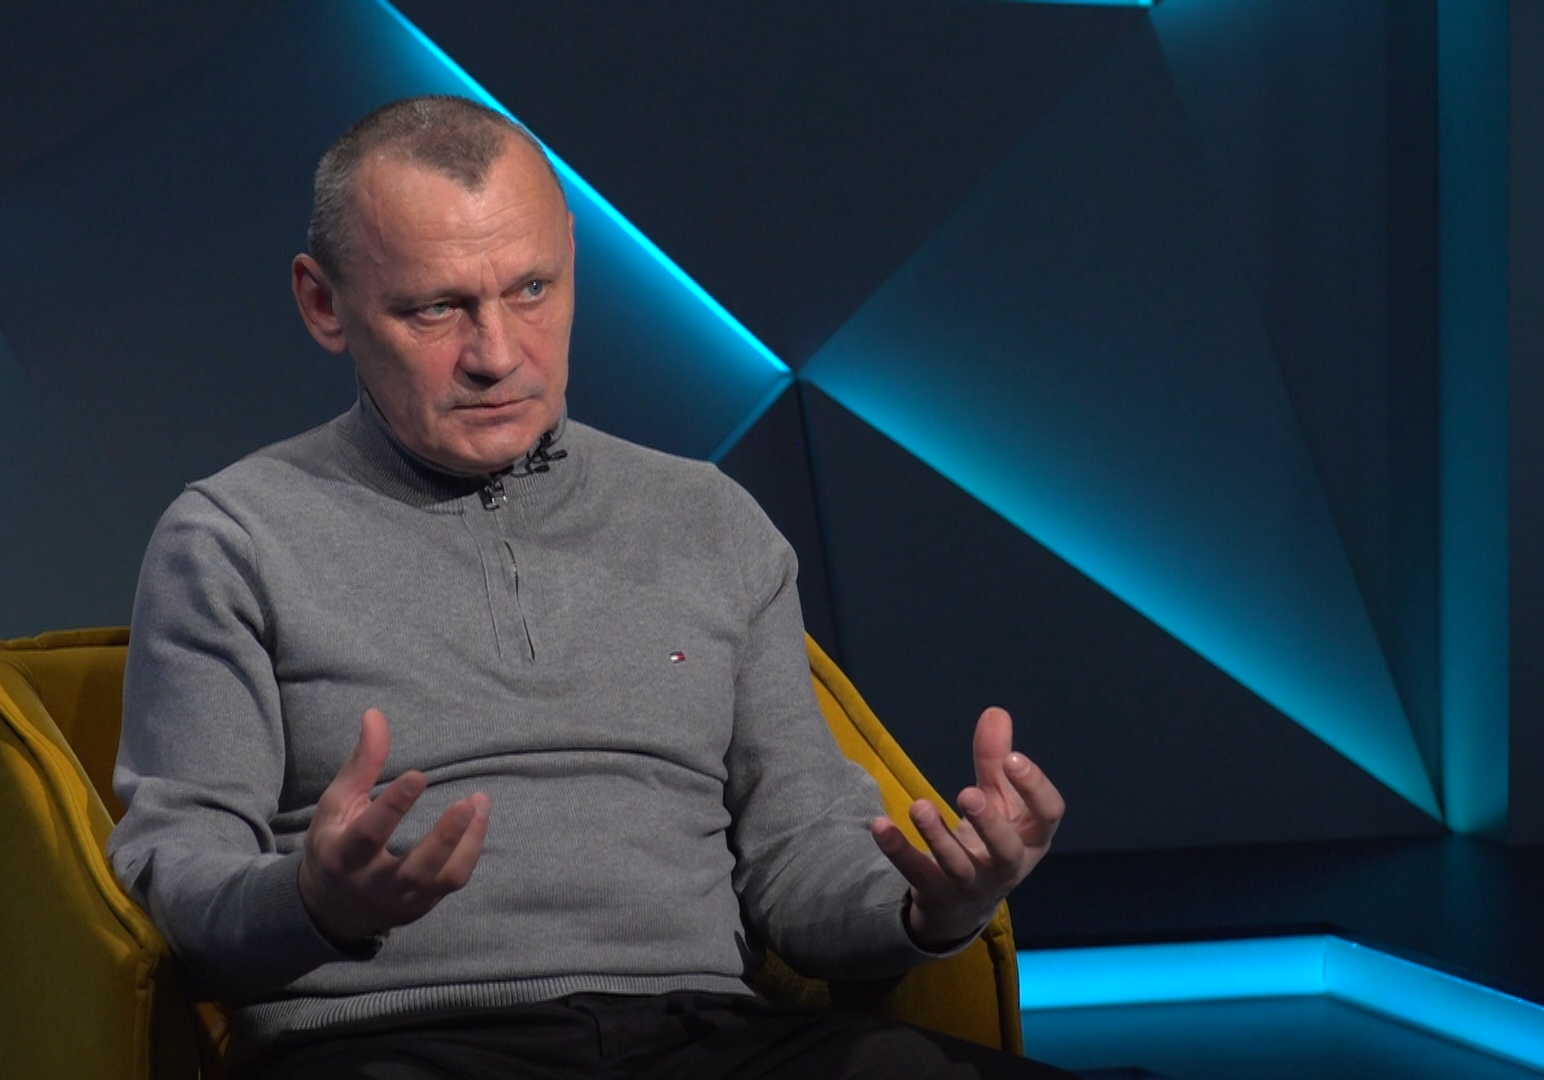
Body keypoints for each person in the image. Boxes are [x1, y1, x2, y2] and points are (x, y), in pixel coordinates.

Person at [108, 95, 1068, 1079]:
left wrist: (927, 906)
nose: (496, 355)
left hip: (706, 1040)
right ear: (324, 303)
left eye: (532, 288)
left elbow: (799, 857)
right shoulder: (231, 538)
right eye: (436, 308)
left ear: (572, 258)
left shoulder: (707, 518)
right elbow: (175, 879)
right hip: (391, 1044)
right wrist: (313, 902)